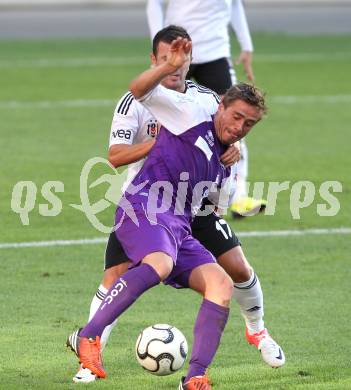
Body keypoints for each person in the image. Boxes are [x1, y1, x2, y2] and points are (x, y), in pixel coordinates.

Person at [68, 26, 285, 385]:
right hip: (144, 205)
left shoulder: (221, 146)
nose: (241, 127)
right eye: (237, 118)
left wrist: (230, 158)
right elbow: (136, 95)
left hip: (183, 219)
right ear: (222, 107)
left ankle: (196, 377)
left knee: (222, 282)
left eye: (249, 124)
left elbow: (217, 204)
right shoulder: (180, 108)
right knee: (148, 266)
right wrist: (169, 67)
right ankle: (89, 337)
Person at [146, 0, 267, 217]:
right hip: (177, 53)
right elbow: (154, 3)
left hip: (215, 52)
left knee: (234, 121)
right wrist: (161, 48)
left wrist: (246, 44)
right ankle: (148, 188)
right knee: (155, 119)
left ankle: (238, 195)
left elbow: (236, 4)